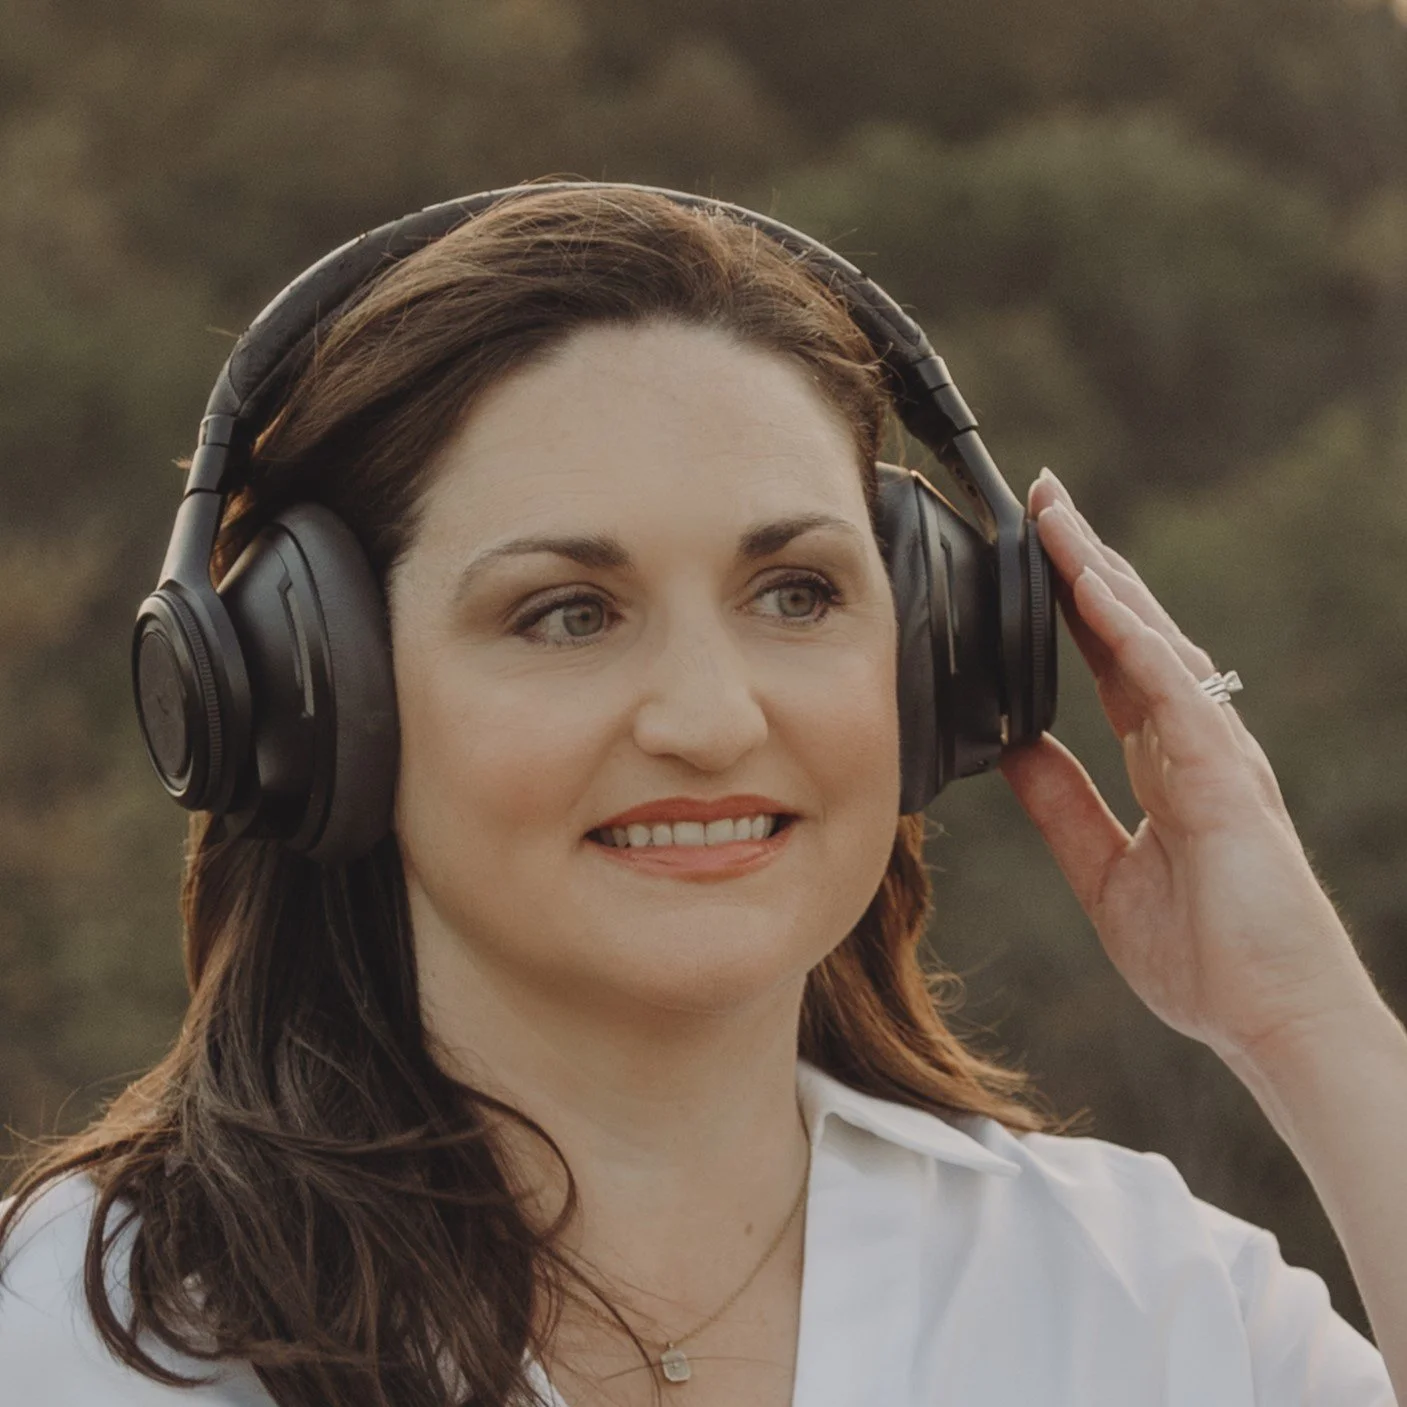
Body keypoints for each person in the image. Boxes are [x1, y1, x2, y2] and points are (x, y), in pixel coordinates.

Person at [0, 182, 1402, 1407]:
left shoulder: (1141, 1299)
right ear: (313, 698)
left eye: (794, 594)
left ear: (934, 657)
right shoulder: (91, 1330)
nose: (710, 718)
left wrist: (1305, 1024)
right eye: (565, 612)